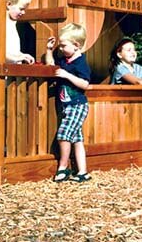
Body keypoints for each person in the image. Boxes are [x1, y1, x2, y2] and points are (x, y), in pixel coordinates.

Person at [45, 23, 92, 182]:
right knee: (77, 139)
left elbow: (85, 84)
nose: (61, 48)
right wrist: (49, 50)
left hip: (77, 105)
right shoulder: (65, 60)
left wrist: (67, 75)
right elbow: (51, 66)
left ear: (76, 45)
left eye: (64, 45)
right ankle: (83, 172)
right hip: (67, 106)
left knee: (63, 135)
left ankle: (63, 168)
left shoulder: (81, 63)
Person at [5, 0, 35, 64]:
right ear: (9, 5)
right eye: (21, 9)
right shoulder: (2, 25)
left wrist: (22, 55)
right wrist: (17, 58)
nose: (23, 12)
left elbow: (12, 51)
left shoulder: (13, 23)